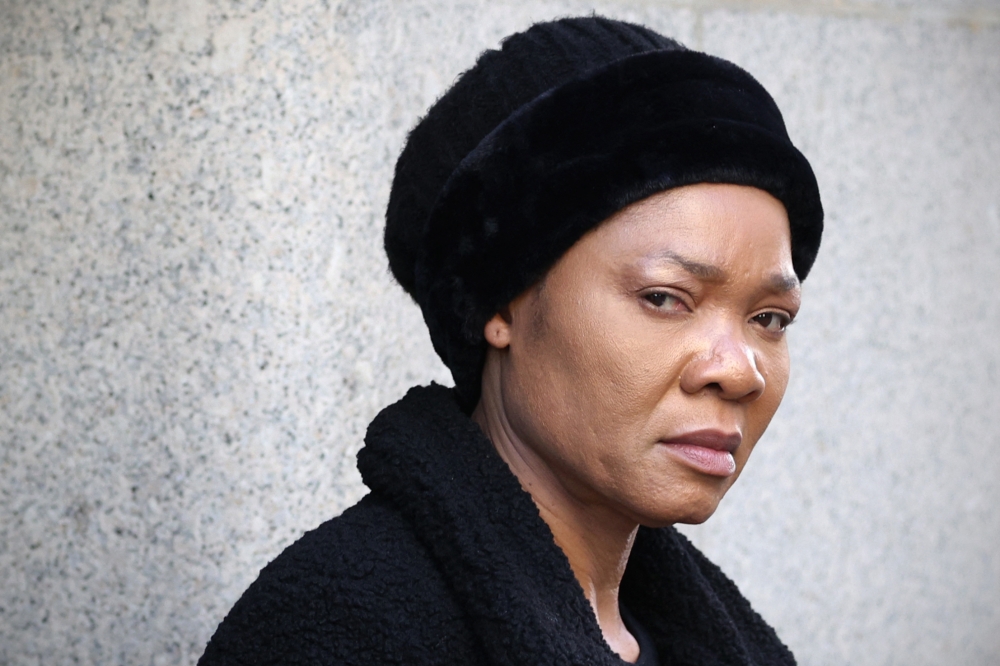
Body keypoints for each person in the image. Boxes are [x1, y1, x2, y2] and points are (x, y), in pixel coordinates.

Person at [198, 15, 822, 666]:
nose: (740, 371)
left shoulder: (707, 642)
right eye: (665, 298)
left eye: (770, 319)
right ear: (502, 302)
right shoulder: (338, 628)